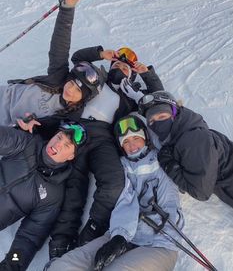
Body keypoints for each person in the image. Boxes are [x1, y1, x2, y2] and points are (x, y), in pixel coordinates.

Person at [43, 46, 165, 259]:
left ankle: (92, 231)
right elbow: (77, 59)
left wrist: (147, 74)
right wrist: (100, 54)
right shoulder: (96, 78)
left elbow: (157, 98)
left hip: (103, 138)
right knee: (73, 187)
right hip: (75, 130)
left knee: (114, 181)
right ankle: (60, 243)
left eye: (125, 67)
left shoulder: (131, 94)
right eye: (116, 64)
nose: (119, 67)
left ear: (131, 75)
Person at [44, 114, 184, 271]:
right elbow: (125, 203)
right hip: (120, 235)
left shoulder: (160, 162)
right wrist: (119, 237)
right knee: (62, 266)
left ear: (145, 137)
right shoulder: (123, 167)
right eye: (126, 142)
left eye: (135, 138)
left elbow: (170, 206)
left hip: (160, 243)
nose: (132, 146)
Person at [0, 0, 105, 126]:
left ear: (84, 97)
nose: (70, 89)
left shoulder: (66, 117)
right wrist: (68, 8)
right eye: (72, 83)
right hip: (4, 94)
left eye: (78, 90)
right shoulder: (58, 79)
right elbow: (60, 45)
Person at [0, 121, 87, 271]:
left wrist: (13, 264)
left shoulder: (53, 195)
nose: (58, 144)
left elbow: (29, 237)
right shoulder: (27, 144)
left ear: (71, 156)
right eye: (59, 137)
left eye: (66, 145)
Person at [138, 90, 233, 208]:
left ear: (174, 114)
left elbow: (201, 192)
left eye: (162, 116)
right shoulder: (187, 125)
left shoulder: (192, 140)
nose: (157, 124)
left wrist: (168, 164)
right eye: (152, 121)